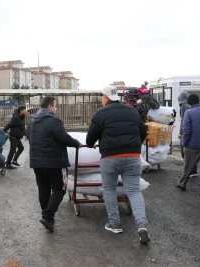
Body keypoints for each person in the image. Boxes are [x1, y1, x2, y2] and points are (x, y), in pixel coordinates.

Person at [86, 85, 150, 244]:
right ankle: (142, 225)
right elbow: (143, 132)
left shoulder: (100, 114)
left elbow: (89, 141)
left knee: (109, 189)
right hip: (132, 156)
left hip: (110, 157)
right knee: (134, 191)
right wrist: (133, 146)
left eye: (102, 96)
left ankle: (115, 224)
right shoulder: (132, 111)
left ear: (106, 98)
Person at [27, 96, 81, 232]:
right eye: (55, 106)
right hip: (54, 162)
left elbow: (28, 136)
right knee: (59, 189)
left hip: (36, 162)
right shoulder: (53, 120)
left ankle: (47, 217)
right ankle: (47, 215)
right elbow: (63, 138)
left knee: (43, 189)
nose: (56, 108)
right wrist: (76, 143)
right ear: (50, 106)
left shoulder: (32, 121)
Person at [175, 94, 200, 198]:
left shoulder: (189, 112)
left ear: (189, 103)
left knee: (187, 166)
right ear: (198, 101)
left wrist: (184, 143)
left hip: (192, 145)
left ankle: (182, 184)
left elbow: (186, 130)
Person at [177, 90, 198, 176]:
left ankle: (189, 171)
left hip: (186, 131)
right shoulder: (191, 106)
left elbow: (183, 120)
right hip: (194, 131)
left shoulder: (183, 106)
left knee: (185, 151)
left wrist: (180, 132)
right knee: (191, 151)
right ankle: (193, 170)